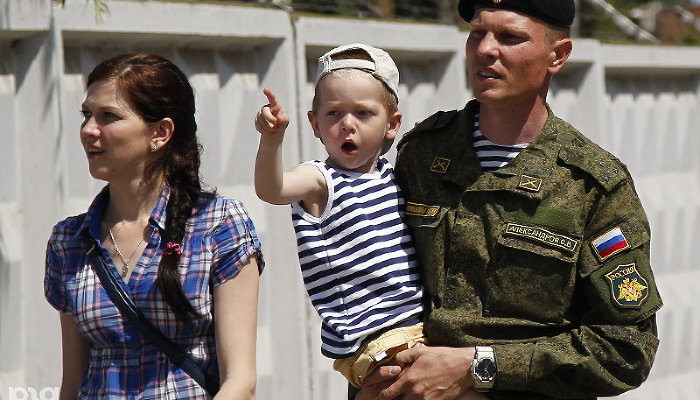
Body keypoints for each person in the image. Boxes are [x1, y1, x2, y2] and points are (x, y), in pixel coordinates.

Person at [354, 1, 663, 399]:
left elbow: (626, 349)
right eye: (477, 33)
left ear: (558, 55)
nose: (485, 49)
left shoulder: (591, 184)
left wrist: (478, 366)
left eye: (510, 37)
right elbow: (367, 276)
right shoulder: (421, 154)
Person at [44, 53, 263, 400]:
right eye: (86, 114)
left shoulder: (218, 225)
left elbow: (241, 382)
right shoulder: (68, 241)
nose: (88, 129)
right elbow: (72, 384)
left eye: (108, 116)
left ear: (160, 133)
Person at [254, 43, 425, 388]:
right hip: (372, 338)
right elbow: (271, 189)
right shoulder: (321, 179)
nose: (347, 124)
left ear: (392, 125)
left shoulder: (393, 177)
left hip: (417, 325)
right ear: (315, 125)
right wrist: (272, 139)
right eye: (334, 114)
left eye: (363, 113)